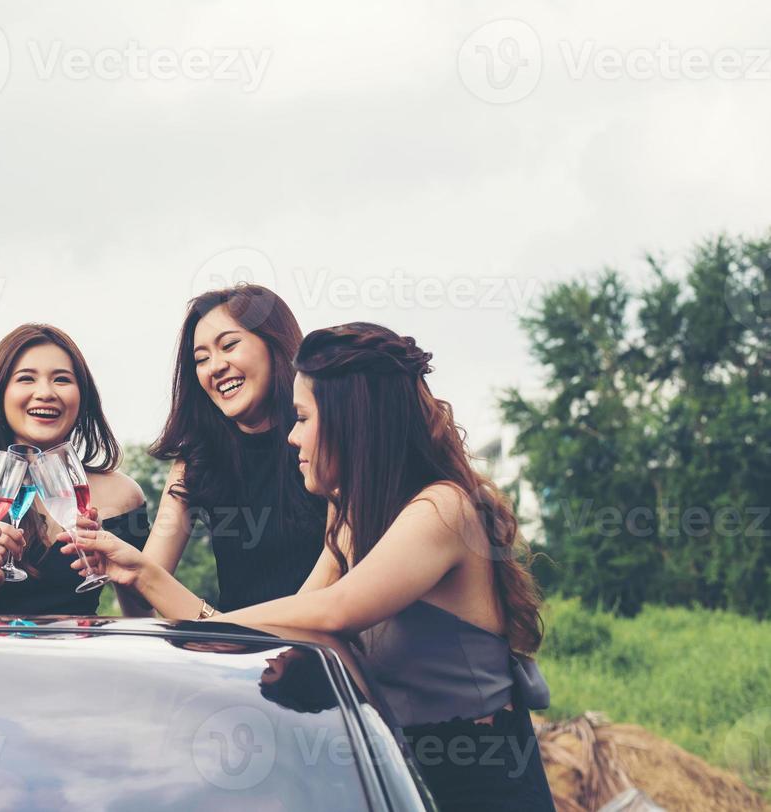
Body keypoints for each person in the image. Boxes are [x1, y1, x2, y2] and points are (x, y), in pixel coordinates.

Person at [65, 323, 555, 810]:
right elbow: (295, 622)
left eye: (302, 418)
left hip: (483, 785)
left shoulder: (441, 509)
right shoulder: (352, 516)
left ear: (349, 422)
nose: (292, 438)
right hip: (403, 777)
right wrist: (137, 575)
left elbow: (334, 611)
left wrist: (167, 595)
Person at [0, 323, 149, 617]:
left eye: (61, 379)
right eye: (26, 379)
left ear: (82, 397)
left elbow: (142, 614)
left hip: (79, 658)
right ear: (0, 394)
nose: (45, 392)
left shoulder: (122, 495)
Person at [136, 284, 326, 613]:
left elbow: (326, 602)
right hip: (233, 651)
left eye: (229, 345)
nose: (215, 367)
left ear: (274, 345)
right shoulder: (196, 458)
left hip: (319, 646)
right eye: (201, 359)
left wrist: (210, 621)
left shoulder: (324, 438)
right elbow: (149, 576)